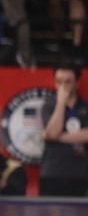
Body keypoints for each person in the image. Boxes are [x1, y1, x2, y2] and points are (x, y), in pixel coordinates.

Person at [39, 63, 88, 197]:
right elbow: (54, 132)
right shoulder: (49, 106)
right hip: (53, 173)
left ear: (77, 83)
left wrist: (55, 137)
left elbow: (54, 135)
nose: (63, 86)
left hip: (80, 174)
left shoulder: (85, 106)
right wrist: (61, 103)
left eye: (68, 82)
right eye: (59, 81)